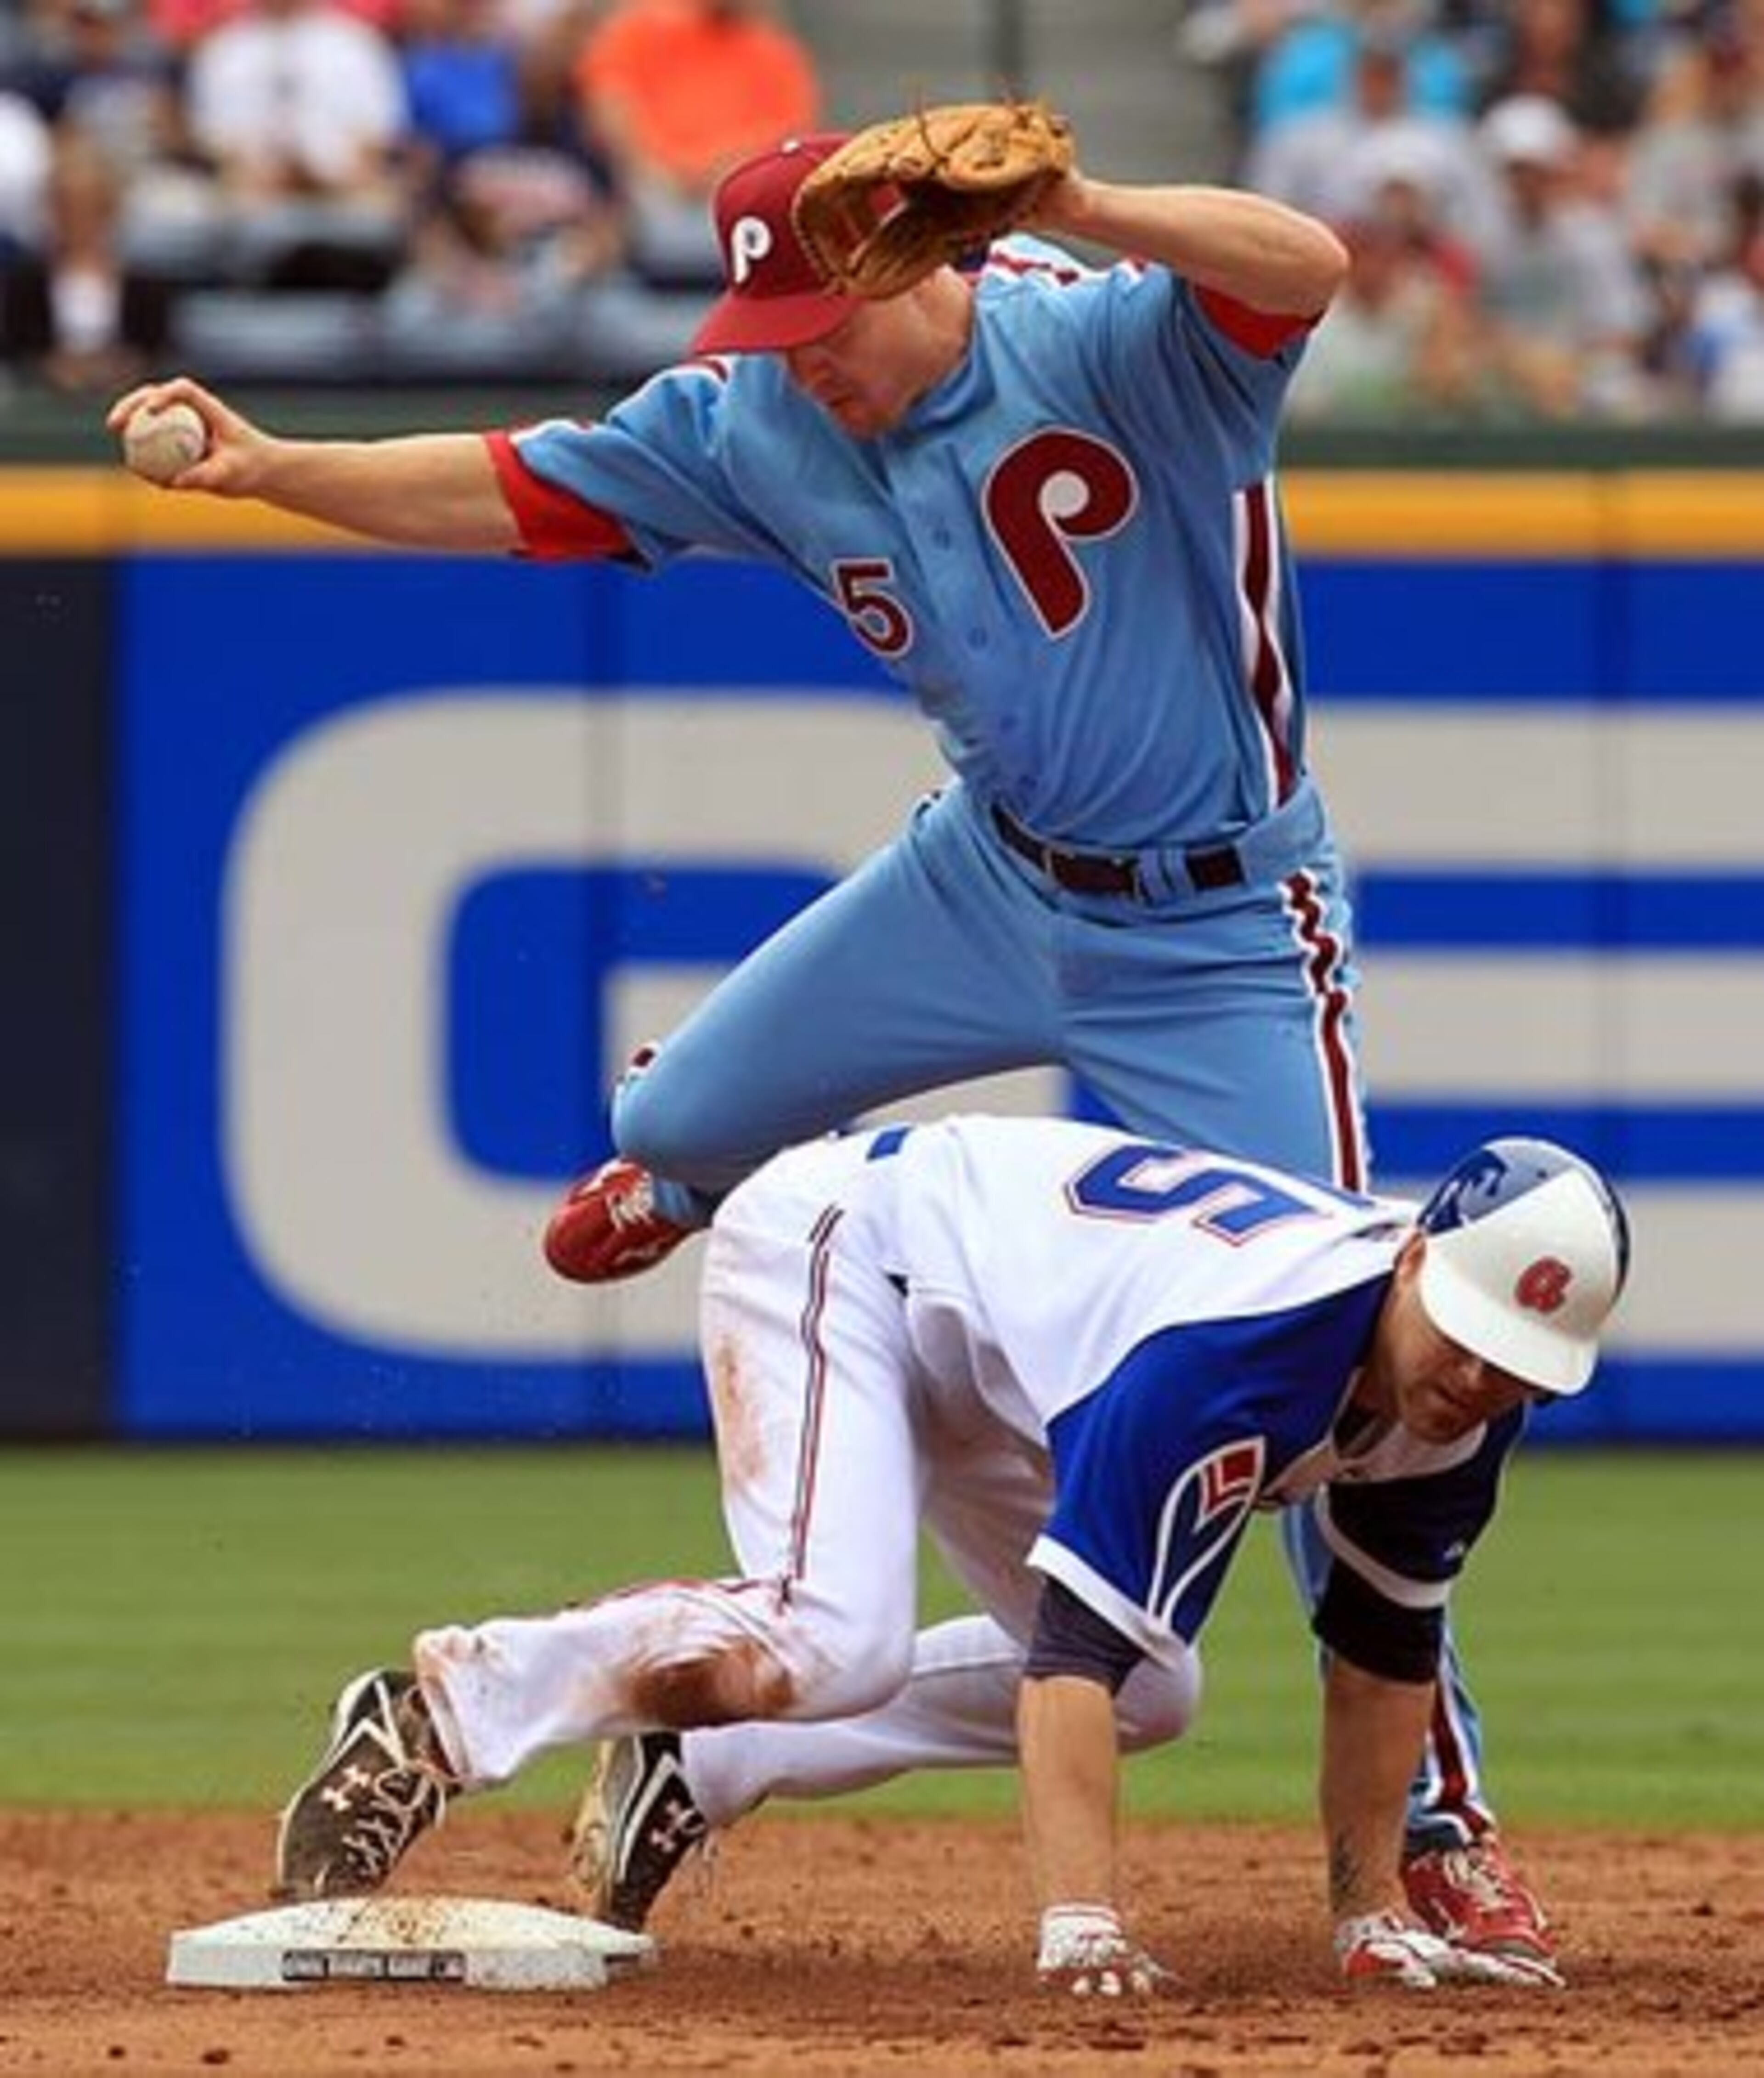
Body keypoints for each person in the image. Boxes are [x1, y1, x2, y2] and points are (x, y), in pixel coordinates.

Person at [105, 114, 1543, 1956]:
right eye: (768, 333)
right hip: (985, 874)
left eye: (824, 325)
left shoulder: (1099, 336)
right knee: (683, 1108)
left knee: (1334, 1340)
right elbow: (518, 489)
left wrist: (1081, 201)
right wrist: (271, 467)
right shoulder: (763, 410)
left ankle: (1436, 1820)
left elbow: (1303, 267)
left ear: (913, 265)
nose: (804, 370)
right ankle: (704, 1181)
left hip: (1223, 926)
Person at [273, 1116, 1630, 1993]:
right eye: (1462, 1328)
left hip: (1003, 1359)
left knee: (1159, 1693)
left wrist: (1368, 1913)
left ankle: (705, 1760)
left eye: (1517, 1367)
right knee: (832, 1633)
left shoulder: (1456, 1412)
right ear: (1414, 1259)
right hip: (849, 1252)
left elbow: (1384, 1659)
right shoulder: (1235, 1358)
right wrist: (1083, 1923)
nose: (1477, 1378)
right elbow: (1068, 1662)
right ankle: (438, 1713)